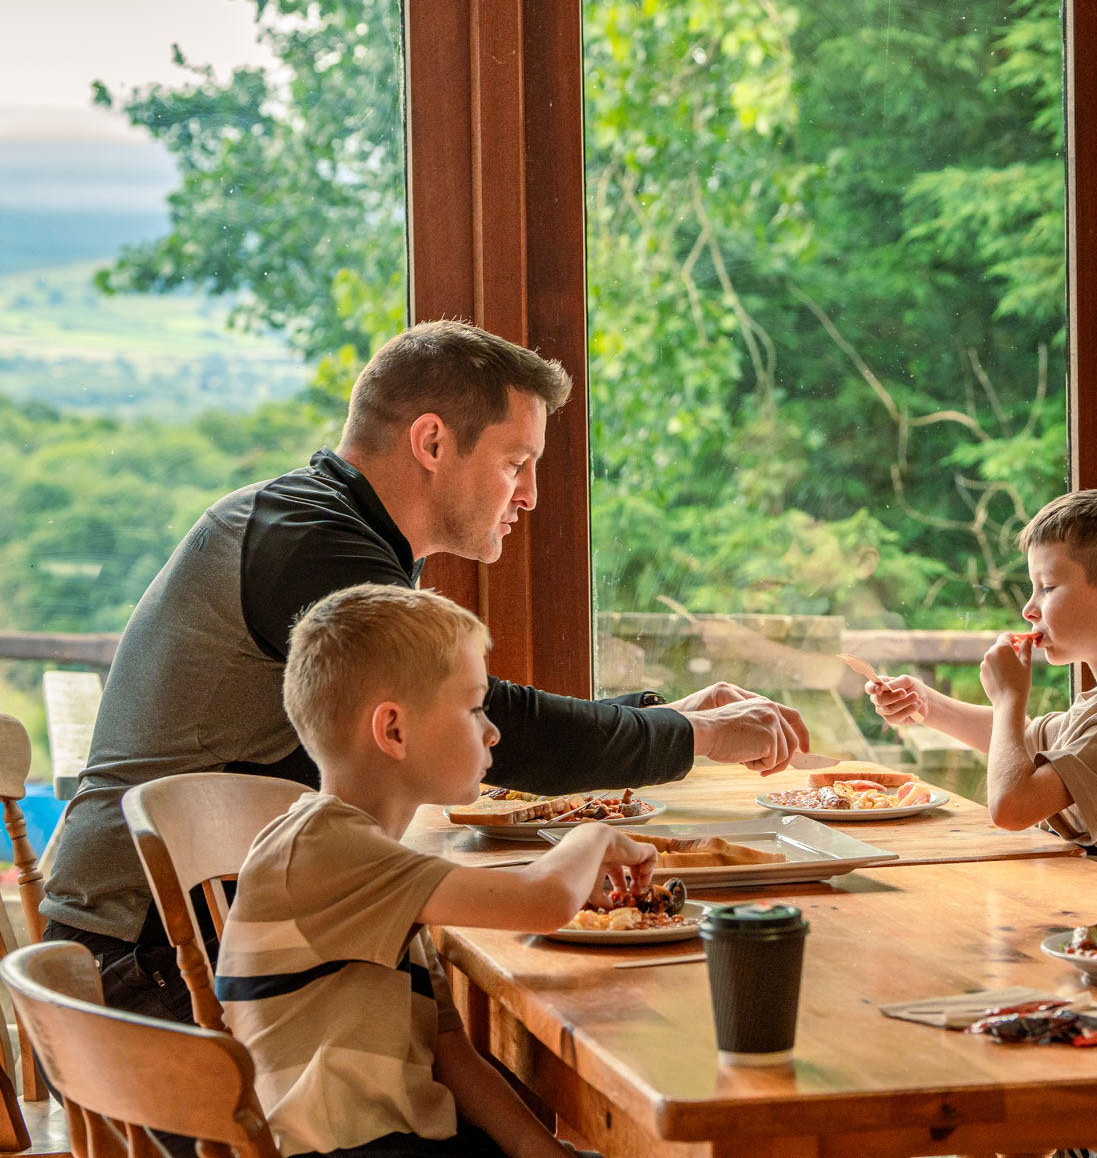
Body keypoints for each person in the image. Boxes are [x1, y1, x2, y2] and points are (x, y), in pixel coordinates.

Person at [42, 320, 808, 1022]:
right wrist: (688, 734)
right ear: (433, 442)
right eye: (517, 462)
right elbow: (501, 732)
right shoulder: (312, 543)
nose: (532, 495)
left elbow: (470, 722)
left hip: (187, 947)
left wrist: (660, 714)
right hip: (157, 971)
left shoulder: (314, 523)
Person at [218, 582, 656, 1158]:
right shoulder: (321, 849)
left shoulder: (370, 859)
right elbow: (542, 899)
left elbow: (449, 1048)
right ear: (394, 731)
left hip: (406, 1137)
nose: (492, 731)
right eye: (475, 707)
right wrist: (592, 835)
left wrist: (536, 1146)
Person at [865, 487, 1097, 884]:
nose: (1028, 608)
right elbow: (1017, 740)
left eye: (1048, 587)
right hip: (1069, 917)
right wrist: (927, 704)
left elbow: (1011, 807)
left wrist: (1009, 698)